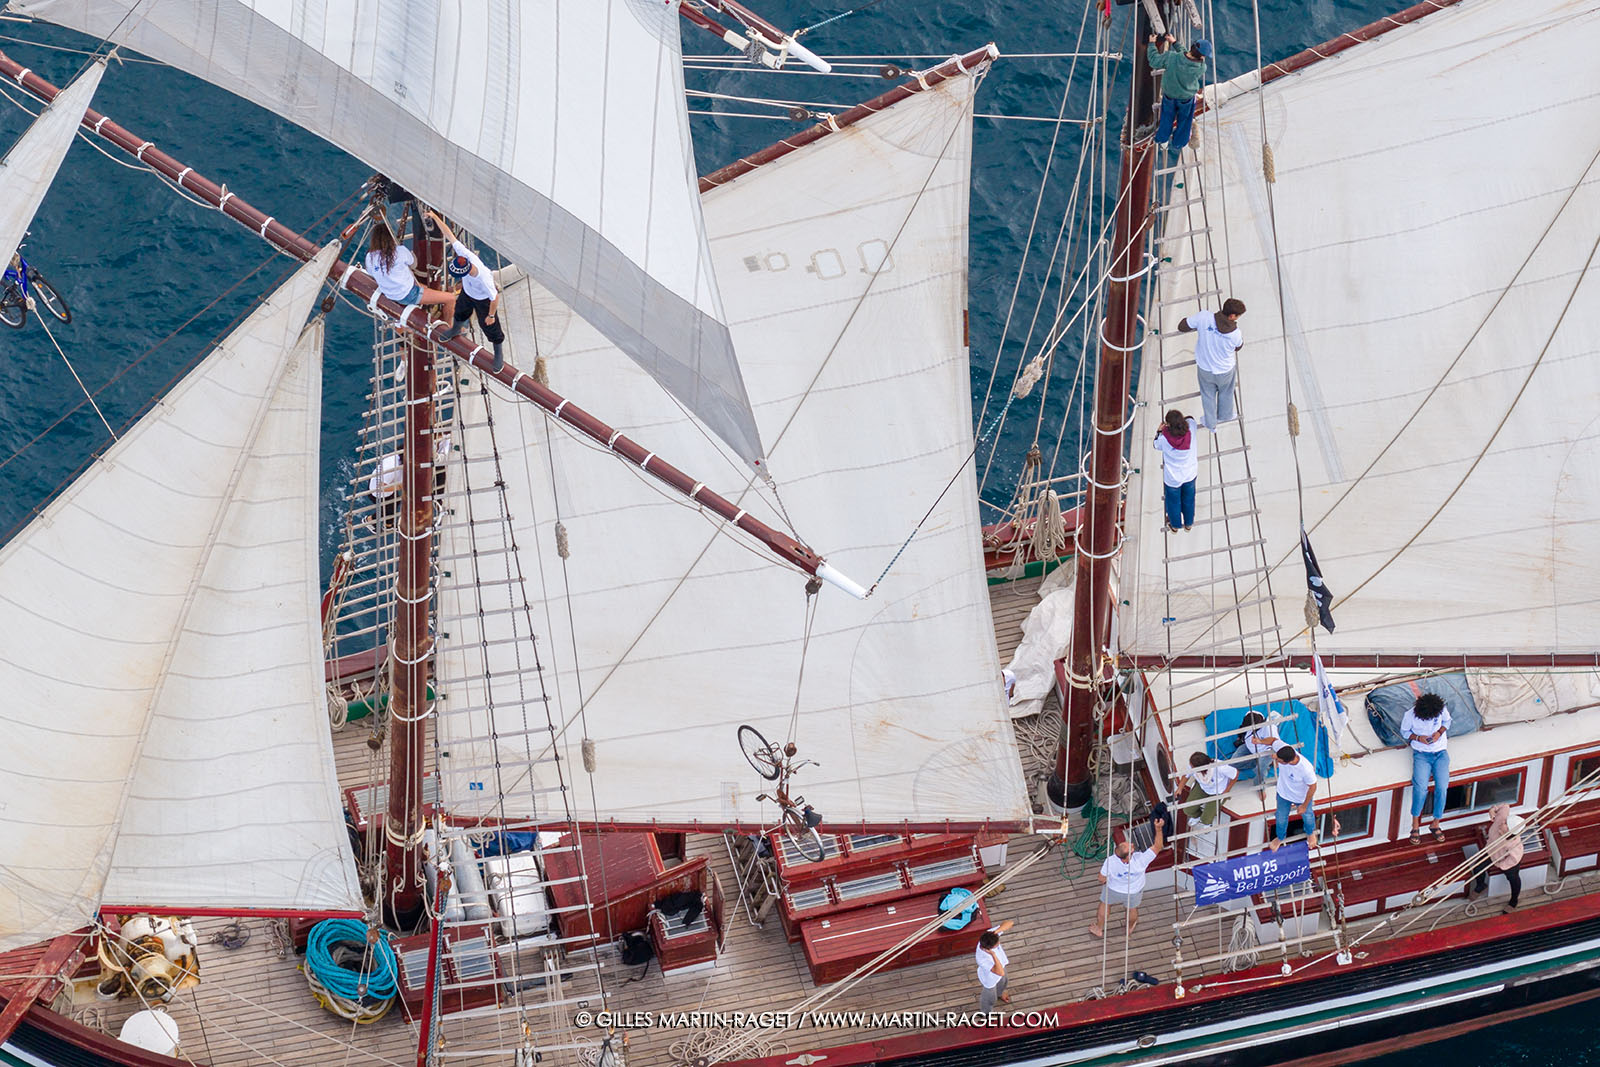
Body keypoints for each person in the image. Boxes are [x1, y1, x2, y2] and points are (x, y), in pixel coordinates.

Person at [428, 211, 507, 373]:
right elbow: (450, 235)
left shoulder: (483, 278)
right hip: (468, 292)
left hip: (484, 300)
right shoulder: (464, 256)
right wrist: (435, 218)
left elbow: (495, 297)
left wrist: (491, 315)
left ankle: (498, 351)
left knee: (490, 328)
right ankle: (455, 329)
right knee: (460, 312)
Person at [1176, 298, 1245, 430]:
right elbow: (1238, 347)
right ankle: (1225, 415)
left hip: (1205, 368)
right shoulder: (1235, 333)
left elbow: (1182, 326)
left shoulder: (1204, 317)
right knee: (1226, 392)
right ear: (1232, 316)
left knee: (1208, 395)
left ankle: (1211, 424)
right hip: (1225, 370)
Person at [364, 220, 456, 315]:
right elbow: (414, 264)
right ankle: (449, 328)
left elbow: (371, 272)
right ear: (391, 237)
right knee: (451, 299)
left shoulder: (370, 257)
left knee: (424, 287)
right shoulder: (400, 251)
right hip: (408, 295)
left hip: (389, 294)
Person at [1092, 820, 1164, 938]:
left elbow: (1101, 878)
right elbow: (1158, 846)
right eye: (1129, 847)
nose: (1131, 844)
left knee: (1105, 905)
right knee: (1132, 909)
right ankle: (1129, 928)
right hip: (1134, 890)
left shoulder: (1111, 861)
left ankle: (1099, 928)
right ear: (1128, 856)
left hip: (1113, 888)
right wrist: (1158, 829)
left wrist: (1106, 881)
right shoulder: (1141, 860)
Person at [1402, 692, 1452, 844]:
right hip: (1421, 754)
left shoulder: (1440, 708)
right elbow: (1404, 732)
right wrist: (1418, 738)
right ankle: (1415, 824)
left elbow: (1447, 722)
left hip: (1441, 753)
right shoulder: (1410, 715)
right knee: (1420, 788)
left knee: (1442, 788)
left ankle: (1436, 822)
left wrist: (1439, 733)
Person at [1146, 34, 1210, 151]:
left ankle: (1161, 138)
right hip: (1186, 99)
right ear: (1202, 57)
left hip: (1169, 96)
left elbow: (1154, 61)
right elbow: (1187, 58)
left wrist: (1151, 44)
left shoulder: (1171, 57)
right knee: (1185, 122)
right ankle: (1179, 143)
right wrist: (1175, 43)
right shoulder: (1201, 67)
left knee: (1166, 118)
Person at [1469, 804, 1525, 912]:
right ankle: (1481, 886)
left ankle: (1514, 901)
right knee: (1477, 868)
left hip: (1505, 861)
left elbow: (1514, 859)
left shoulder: (1514, 844)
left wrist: (1500, 865)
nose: (1502, 822)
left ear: (1509, 830)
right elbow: (1505, 806)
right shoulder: (1501, 819)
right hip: (1490, 852)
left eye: (1505, 824)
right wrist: (1493, 809)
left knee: (1513, 880)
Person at [1153, 408, 1198, 532]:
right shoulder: (1191, 429)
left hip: (1173, 477)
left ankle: (1175, 525)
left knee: (1173, 503)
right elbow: (1191, 419)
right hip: (1190, 473)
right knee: (1189, 500)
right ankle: (1188, 524)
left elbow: (1155, 444)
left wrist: (1159, 431)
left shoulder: (1164, 439)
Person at [1268, 745, 1319, 850]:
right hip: (1283, 794)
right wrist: (1260, 741)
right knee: (1281, 818)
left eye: (1279, 760)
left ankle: (1310, 833)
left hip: (1301, 797)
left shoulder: (1306, 769)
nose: (1276, 760)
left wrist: (1304, 805)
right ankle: (1280, 837)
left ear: (1287, 762)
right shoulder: (1285, 752)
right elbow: (1273, 740)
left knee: (1308, 817)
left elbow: (1313, 787)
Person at [1179, 750, 1238, 827]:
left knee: (1206, 820)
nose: (1190, 766)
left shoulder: (1220, 767)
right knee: (1188, 810)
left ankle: (1207, 822)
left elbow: (1235, 774)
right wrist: (1179, 789)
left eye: (1192, 766)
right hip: (1203, 786)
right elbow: (1186, 775)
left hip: (1218, 791)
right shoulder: (1193, 765)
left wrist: (1227, 790)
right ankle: (1197, 816)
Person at [975, 919, 1014, 1010]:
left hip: (1001, 966)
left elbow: (1010, 923)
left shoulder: (987, 937)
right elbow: (1000, 972)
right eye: (997, 944)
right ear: (989, 948)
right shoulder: (982, 959)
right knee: (990, 999)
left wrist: (995, 932)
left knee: (1004, 982)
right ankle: (987, 1013)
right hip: (990, 979)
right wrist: (993, 954)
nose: (999, 943)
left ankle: (1000, 993)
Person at [1229, 710, 1278, 782]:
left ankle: (1259, 784)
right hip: (1248, 746)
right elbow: (1242, 728)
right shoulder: (1250, 714)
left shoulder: (1269, 729)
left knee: (1261, 769)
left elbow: (1275, 743)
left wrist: (1260, 741)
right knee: (1232, 764)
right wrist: (1241, 737)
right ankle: (1260, 762)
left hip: (1264, 752)